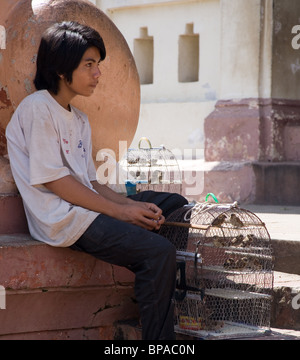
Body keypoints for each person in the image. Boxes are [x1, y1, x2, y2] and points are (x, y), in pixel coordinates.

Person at [5, 21, 188, 340]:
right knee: (157, 253)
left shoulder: (79, 119)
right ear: (63, 69)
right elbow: (56, 182)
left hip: (87, 205)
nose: (97, 74)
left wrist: (132, 205)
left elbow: (91, 182)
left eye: (97, 65)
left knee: (173, 205)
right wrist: (122, 212)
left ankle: (158, 294)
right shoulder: (38, 109)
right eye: (89, 64)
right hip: (62, 219)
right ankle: (160, 338)